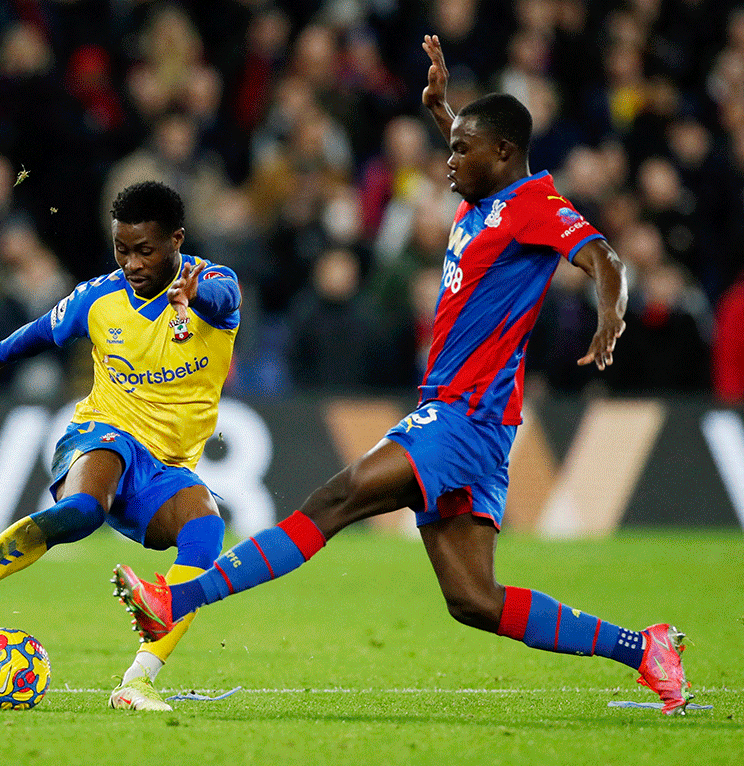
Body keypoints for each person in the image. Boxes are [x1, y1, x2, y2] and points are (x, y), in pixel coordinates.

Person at [112, 37, 694, 716]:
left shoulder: (534, 205)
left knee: (336, 498)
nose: (445, 161)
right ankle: (644, 648)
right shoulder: (487, 195)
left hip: (463, 414)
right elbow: (481, 149)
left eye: (458, 150)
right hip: (475, 421)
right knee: (473, 600)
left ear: (502, 154)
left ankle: (173, 600)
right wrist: (445, 110)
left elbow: (602, 257)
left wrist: (609, 313)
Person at [0, 180, 240, 712]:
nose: (131, 263)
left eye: (145, 251)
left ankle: (137, 681)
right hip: (103, 431)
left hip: (167, 467)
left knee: (207, 526)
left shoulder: (211, 284)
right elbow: (41, 330)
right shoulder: (98, 298)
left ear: (176, 241)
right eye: (122, 249)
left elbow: (224, 299)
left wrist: (195, 296)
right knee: (81, 511)